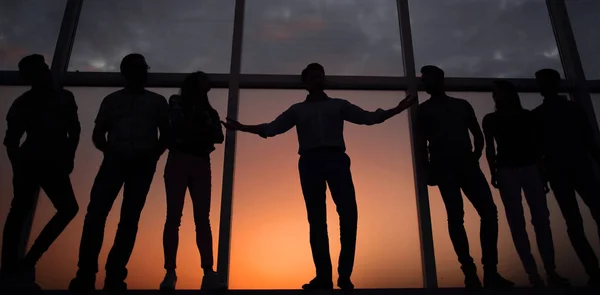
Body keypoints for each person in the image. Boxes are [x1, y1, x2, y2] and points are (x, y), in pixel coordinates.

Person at [221, 63, 415, 290]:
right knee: (317, 220)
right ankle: (324, 276)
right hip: (311, 162)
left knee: (348, 214)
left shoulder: (338, 105)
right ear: (305, 82)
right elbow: (272, 128)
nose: (317, 79)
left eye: (320, 75)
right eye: (312, 76)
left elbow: (368, 118)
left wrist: (396, 110)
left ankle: (343, 275)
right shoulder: (298, 110)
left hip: (336, 159)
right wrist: (243, 128)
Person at [68, 54, 170, 292]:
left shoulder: (156, 102)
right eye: (138, 69)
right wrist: (110, 152)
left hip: (140, 164)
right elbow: (98, 133)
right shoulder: (112, 100)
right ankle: (87, 274)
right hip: (116, 162)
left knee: (126, 220)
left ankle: (112, 276)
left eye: (143, 69)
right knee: (98, 216)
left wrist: (152, 154)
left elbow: (165, 134)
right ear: (127, 72)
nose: (142, 73)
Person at [416, 65, 513, 289]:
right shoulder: (425, 110)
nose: (423, 82)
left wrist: (475, 156)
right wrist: (427, 170)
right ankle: (471, 272)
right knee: (457, 216)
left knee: (487, 212)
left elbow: (478, 135)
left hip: (463, 165)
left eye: (427, 78)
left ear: (440, 79)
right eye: (422, 78)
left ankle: (489, 272)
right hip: (444, 167)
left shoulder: (460, 105)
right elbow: (421, 144)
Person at [1, 54, 80, 291]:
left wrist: (69, 156)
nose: (46, 72)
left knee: (66, 209)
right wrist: (19, 167)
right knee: (20, 211)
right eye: (40, 70)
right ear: (30, 77)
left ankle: (26, 261)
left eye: (45, 68)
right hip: (33, 160)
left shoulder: (64, 97)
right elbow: (11, 141)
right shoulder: (25, 102)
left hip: (53, 161)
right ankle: (12, 266)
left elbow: (74, 130)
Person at [482, 80, 569, 287]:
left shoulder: (526, 117)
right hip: (508, 170)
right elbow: (490, 148)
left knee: (539, 219)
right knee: (520, 221)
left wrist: (541, 171)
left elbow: (536, 145)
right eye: (495, 94)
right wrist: (493, 170)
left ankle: (548, 270)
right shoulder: (494, 119)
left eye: (500, 93)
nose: (497, 97)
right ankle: (534, 273)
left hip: (526, 168)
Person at [533, 68, 600, 287]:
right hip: (571, 170)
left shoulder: (542, 114)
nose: (542, 87)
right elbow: (589, 139)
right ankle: (593, 271)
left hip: (568, 170)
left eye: (544, 82)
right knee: (577, 221)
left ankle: (593, 271)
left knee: (575, 222)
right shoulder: (569, 110)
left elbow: (588, 139)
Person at [159, 72, 224, 291]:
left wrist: (192, 130)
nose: (210, 84)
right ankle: (170, 271)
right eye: (205, 80)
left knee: (200, 218)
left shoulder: (208, 111)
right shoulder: (177, 103)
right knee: (174, 217)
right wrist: (200, 131)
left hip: (198, 162)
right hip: (181, 159)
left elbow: (218, 136)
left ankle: (207, 271)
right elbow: (179, 126)